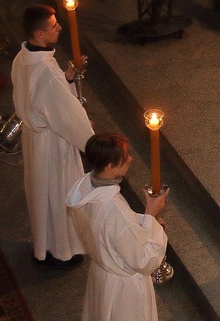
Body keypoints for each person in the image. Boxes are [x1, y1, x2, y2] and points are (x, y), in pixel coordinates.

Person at [11, 5, 94, 269]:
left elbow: (41, 97)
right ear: (39, 33)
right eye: (53, 25)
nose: (59, 27)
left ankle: (44, 245)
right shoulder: (45, 69)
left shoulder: (23, 57)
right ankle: (63, 249)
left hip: (36, 139)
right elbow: (63, 113)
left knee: (40, 193)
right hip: (54, 144)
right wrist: (91, 139)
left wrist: (67, 78)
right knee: (59, 192)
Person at [66, 134, 169, 321]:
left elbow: (105, 228)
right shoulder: (114, 209)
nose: (130, 158)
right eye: (125, 156)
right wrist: (151, 215)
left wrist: (142, 222)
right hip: (124, 290)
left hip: (102, 275)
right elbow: (143, 260)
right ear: (110, 166)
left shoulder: (86, 188)